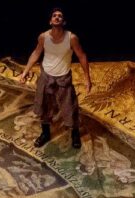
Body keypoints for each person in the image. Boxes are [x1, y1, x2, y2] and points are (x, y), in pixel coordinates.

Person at [18, 8, 92, 149]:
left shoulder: (71, 38)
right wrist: (25, 72)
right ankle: (45, 133)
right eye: (54, 16)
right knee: (44, 106)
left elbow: (82, 56)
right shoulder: (43, 37)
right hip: (46, 76)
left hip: (63, 78)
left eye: (60, 16)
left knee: (69, 107)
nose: (57, 17)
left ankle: (75, 134)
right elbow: (36, 53)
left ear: (63, 22)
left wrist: (87, 79)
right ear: (50, 21)